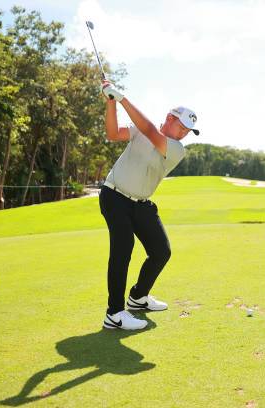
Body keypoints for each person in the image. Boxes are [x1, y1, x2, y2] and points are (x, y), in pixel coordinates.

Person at [98, 79, 199, 330]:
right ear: (170, 118)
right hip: (114, 196)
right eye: (182, 127)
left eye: (188, 131)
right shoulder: (139, 130)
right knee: (123, 249)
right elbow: (112, 134)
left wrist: (122, 98)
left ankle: (138, 297)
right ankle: (114, 313)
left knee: (161, 251)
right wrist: (111, 102)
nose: (184, 133)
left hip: (141, 204)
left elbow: (152, 131)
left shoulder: (176, 149)